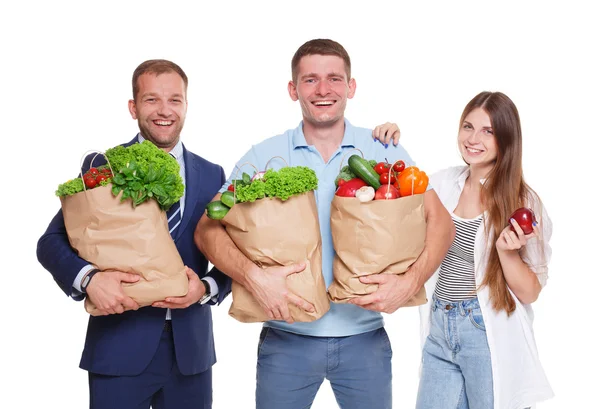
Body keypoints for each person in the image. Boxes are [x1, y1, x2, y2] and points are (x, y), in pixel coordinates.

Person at [195, 39, 455, 409]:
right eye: (310, 80)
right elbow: (208, 228)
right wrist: (254, 277)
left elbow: (441, 223)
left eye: (334, 79)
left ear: (351, 87)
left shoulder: (383, 150)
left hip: (365, 341)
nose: (323, 90)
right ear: (293, 89)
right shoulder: (264, 155)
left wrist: (411, 282)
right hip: (286, 342)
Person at [37, 59, 231, 409]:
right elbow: (50, 243)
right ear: (133, 107)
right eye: (151, 99)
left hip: (192, 355)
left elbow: (235, 252)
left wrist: (208, 288)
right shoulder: (105, 167)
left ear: (186, 105)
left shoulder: (212, 173)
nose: (164, 110)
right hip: (119, 347)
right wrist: (90, 280)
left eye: (175, 99)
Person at [378, 91, 554, 409]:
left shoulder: (523, 203)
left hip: (484, 333)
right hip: (439, 331)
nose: (473, 139)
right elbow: (395, 200)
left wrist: (507, 252)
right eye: (468, 127)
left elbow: (530, 292)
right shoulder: (443, 184)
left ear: (506, 139)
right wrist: (388, 148)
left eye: (488, 131)